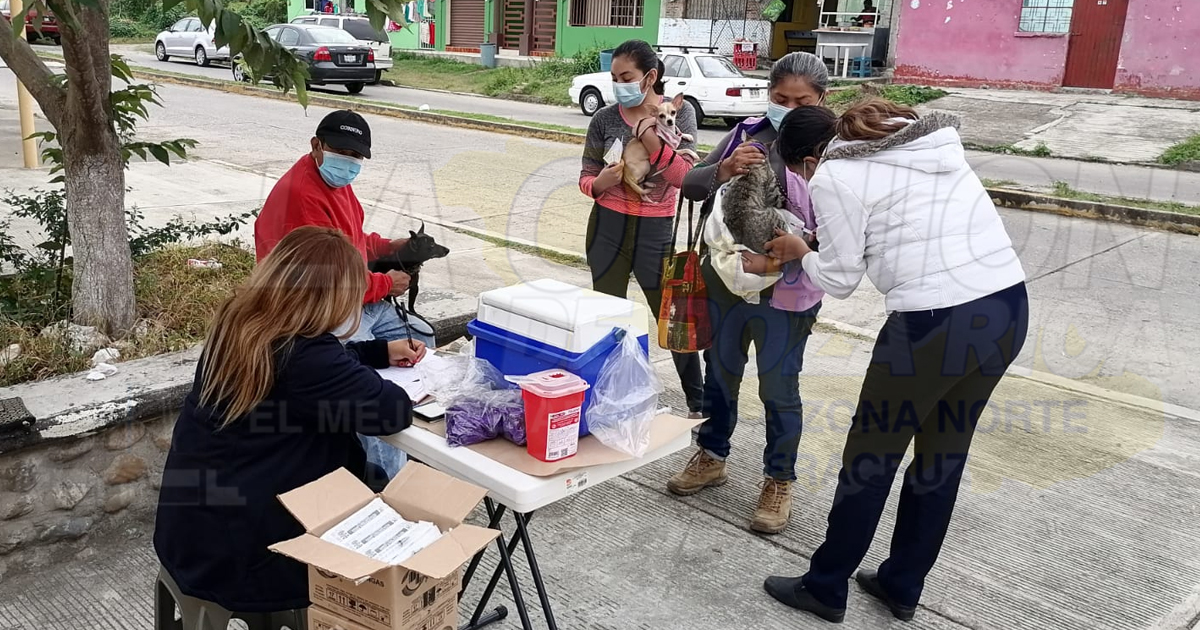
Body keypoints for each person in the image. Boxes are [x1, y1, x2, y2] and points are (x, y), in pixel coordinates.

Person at [761, 99, 1029, 623]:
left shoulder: (833, 175)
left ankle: (826, 585)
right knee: (941, 456)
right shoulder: (926, 147)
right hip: (1006, 307)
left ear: (809, 160)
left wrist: (799, 249)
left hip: (932, 326)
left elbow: (839, 279)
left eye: (799, 173)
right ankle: (902, 583)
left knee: (870, 457)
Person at [154, 227, 424, 614]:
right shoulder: (306, 357)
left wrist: (378, 352)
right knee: (387, 504)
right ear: (331, 300)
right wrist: (366, 364)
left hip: (192, 529)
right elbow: (391, 411)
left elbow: (313, 370)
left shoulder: (241, 322)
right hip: (252, 555)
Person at [668, 106, 837, 534]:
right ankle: (711, 456)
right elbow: (690, 184)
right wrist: (724, 168)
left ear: (820, 98)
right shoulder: (746, 135)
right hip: (727, 285)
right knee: (720, 374)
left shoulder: (831, 161)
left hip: (787, 298)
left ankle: (779, 480)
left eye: (799, 98)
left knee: (779, 388)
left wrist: (792, 250)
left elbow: (844, 240)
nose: (786, 106)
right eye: (779, 95)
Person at [578, 39, 704, 417]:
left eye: (626, 77)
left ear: (650, 77)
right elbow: (586, 178)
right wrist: (601, 183)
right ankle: (607, 396)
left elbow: (684, 177)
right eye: (614, 77)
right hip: (607, 226)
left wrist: (650, 133)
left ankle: (698, 403)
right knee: (608, 319)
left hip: (655, 229)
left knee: (671, 317)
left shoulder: (677, 116)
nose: (619, 84)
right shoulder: (604, 119)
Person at [255, 109, 435, 348]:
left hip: (353, 298)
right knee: (365, 365)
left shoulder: (331, 180)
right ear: (316, 145)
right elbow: (329, 279)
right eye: (340, 152)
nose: (347, 162)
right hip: (313, 309)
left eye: (355, 156)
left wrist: (388, 247)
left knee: (422, 338)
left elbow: (349, 237)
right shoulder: (303, 197)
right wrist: (387, 285)